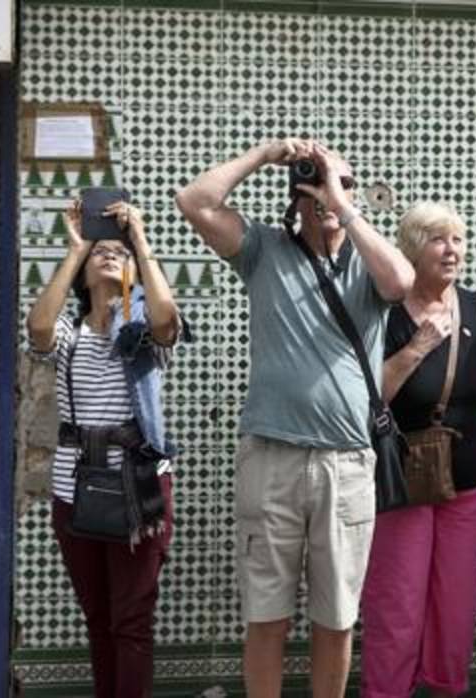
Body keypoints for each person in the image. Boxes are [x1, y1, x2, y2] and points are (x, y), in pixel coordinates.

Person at [174, 138, 415, 698]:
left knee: (336, 619)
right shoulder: (264, 250)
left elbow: (402, 283)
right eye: (319, 183)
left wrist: (341, 198)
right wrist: (264, 155)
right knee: (267, 615)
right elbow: (194, 202)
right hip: (272, 459)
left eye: (346, 181)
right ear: (297, 197)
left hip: (347, 465)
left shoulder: (368, 262)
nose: (332, 191)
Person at [26, 197, 182, 698]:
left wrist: (140, 241)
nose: (109, 255)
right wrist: (76, 247)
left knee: (131, 620)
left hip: (138, 487)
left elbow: (166, 319)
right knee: (98, 617)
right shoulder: (69, 334)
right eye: (101, 252)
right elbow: (38, 328)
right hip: (75, 489)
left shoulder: (140, 332)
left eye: (120, 252)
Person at [359, 202, 476, 698]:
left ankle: (447, 689)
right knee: (396, 608)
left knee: (456, 611)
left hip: (471, 484)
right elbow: (367, 395)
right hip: (402, 486)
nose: (452, 250)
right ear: (412, 250)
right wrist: (419, 345)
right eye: (439, 239)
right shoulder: (385, 314)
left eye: (458, 240)